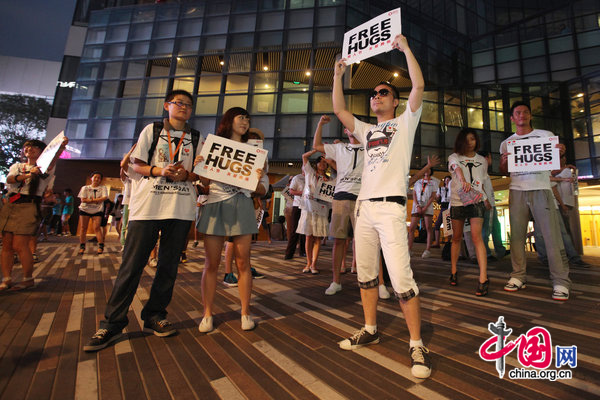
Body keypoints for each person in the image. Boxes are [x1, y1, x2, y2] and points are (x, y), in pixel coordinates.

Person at [332, 34, 431, 379]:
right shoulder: (364, 130)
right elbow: (340, 111)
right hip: (364, 209)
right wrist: (337, 75)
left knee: (402, 278)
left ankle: (417, 342)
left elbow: (419, 84)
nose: (376, 96)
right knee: (365, 275)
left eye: (383, 92)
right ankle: (370, 328)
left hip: (391, 208)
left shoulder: (405, 122)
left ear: (395, 100)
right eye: (373, 94)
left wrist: (404, 48)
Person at [84, 89, 202, 351]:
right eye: (178, 103)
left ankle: (155, 315)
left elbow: (200, 174)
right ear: (166, 106)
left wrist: (187, 176)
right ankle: (112, 323)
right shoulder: (152, 130)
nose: (183, 107)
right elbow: (135, 165)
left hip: (181, 208)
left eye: (188, 105)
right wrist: (161, 170)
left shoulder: (196, 137)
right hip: (148, 206)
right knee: (132, 265)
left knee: (168, 266)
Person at [196, 107, 267, 334]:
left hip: (242, 203)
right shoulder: (213, 145)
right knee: (212, 263)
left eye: (247, 118)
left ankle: (245, 312)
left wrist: (257, 182)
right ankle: (207, 313)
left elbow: (262, 188)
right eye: (241, 117)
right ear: (229, 121)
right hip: (216, 202)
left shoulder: (255, 152)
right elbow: (204, 180)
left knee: (243, 262)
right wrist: (200, 166)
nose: (245, 122)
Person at [500, 101, 571, 301]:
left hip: (541, 187)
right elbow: (505, 171)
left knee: (551, 236)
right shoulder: (507, 142)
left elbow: (554, 161)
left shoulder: (545, 136)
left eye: (525, 112)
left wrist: (560, 152)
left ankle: (561, 281)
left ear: (530, 116)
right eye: (517, 113)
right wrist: (504, 163)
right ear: (512, 118)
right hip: (517, 190)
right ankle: (518, 275)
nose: (522, 115)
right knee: (517, 238)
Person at [0, 138, 68, 291]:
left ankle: (28, 278)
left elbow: (52, 161)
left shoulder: (44, 168)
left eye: (34, 147)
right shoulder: (17, 166)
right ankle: (6, 279)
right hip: (11, 204)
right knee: (7, 245)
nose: (29, 149)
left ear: (42, 152)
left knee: (20, 245)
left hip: (29, 205)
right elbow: (9, 179)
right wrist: (27, 175)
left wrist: (60, 147)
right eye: (27, 147)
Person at [313, 117, 363, 295]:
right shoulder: (340, 148)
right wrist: (320, 125)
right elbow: (317, 146)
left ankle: (373, 282)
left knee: (366, 242)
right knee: (339, 240)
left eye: (355, 127)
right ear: (345, 131)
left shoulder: (370, 149)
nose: (352, 129)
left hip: (362, 199)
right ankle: (336, 281)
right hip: (341, 197)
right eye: (349, 127)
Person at [447, 129, 490, 295]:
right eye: (466, 139)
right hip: (458, 201)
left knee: (476, 237)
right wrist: (463, 179)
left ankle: (483, 277)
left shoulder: (482, 160)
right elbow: (456, 168)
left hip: (476, 201)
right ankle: (453, 270)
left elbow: (483, 181)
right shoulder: (454, 157)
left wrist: (486, 199)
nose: (470, 142)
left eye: (472, 139)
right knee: (456, 238)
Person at [297, 146, 331, 275]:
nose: (322, 164)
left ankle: (314, 264)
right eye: (320, 162)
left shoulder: (328, 180)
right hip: (308, 208)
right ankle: (308, 262)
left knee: (317, 238)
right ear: (316, 164)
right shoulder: (310, 172)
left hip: (321, 209)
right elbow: (304, 157)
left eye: (325, 163)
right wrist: (317, 150)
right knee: (308, 236)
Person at [477, 151, 507, 260]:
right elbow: (479, 186)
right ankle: (486, 253)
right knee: (487, 228)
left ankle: (500, 250)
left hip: (490, 203)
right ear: (486, 157)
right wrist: (486, 200)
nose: (491, 160)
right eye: (490, 157)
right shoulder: (481, 170)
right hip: (487, 203)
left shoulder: (483, 171)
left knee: (495, 226)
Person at [408, 167, 439, 258]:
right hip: (416, 207)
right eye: (425, 169)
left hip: (427, 207)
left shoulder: (434, 182)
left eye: (429, 169)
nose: (426, 171)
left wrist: (425, 207)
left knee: (429, 228)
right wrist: (417, 205)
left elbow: (433, 196)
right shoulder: (418, 182)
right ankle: (409, 249)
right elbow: (414, 194)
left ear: (431, 171)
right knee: (411, 228)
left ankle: (427, 250)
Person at [77, 172, 108, 255]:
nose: (97, 179)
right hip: (84, 209)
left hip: (97, 210)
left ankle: (100, 246)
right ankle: (82, 247)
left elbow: (104, 198)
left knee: (97, 227)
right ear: (91, 178)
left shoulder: (103, 188)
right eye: (95, 177)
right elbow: (83, 199)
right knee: (83, 228)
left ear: (101, 180)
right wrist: (96, 200)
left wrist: (90, 200)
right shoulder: (85, 188)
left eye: (99, 178)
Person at [284, 173, 306, 259]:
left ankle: (303, 251)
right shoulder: (297, 178)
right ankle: (289, 253)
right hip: (296, 206)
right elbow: (291, 191)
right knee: (294, 229)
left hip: (307, 206)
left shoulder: (312, 177)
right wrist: (301, 193)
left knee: (304, 230)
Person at [432, 176, 451, 247]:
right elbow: (437, 198)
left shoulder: (452, 189)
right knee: (437, 224)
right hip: (443, 207)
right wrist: (436, 197)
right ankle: (437, 242)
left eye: (448, 180)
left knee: (448, 226)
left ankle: (448, 242)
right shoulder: (440, 189)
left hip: (449, 207)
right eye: (446, 180)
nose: (447, 181)